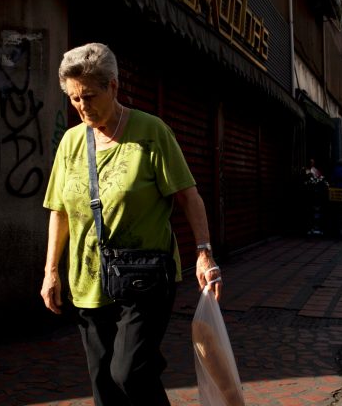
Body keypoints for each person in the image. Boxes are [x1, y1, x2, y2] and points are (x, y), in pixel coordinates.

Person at [40, 43, 222, 406]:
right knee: (103, 384)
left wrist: (204, 253)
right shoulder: (71, 142)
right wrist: (51, 272)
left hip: (145, 278)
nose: (81, 106)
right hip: (88, 281)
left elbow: (189, 197)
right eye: (74, 98)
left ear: (114, 87)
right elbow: (58, 210)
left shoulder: (151, 132)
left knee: (130, 371)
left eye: (89, 96)